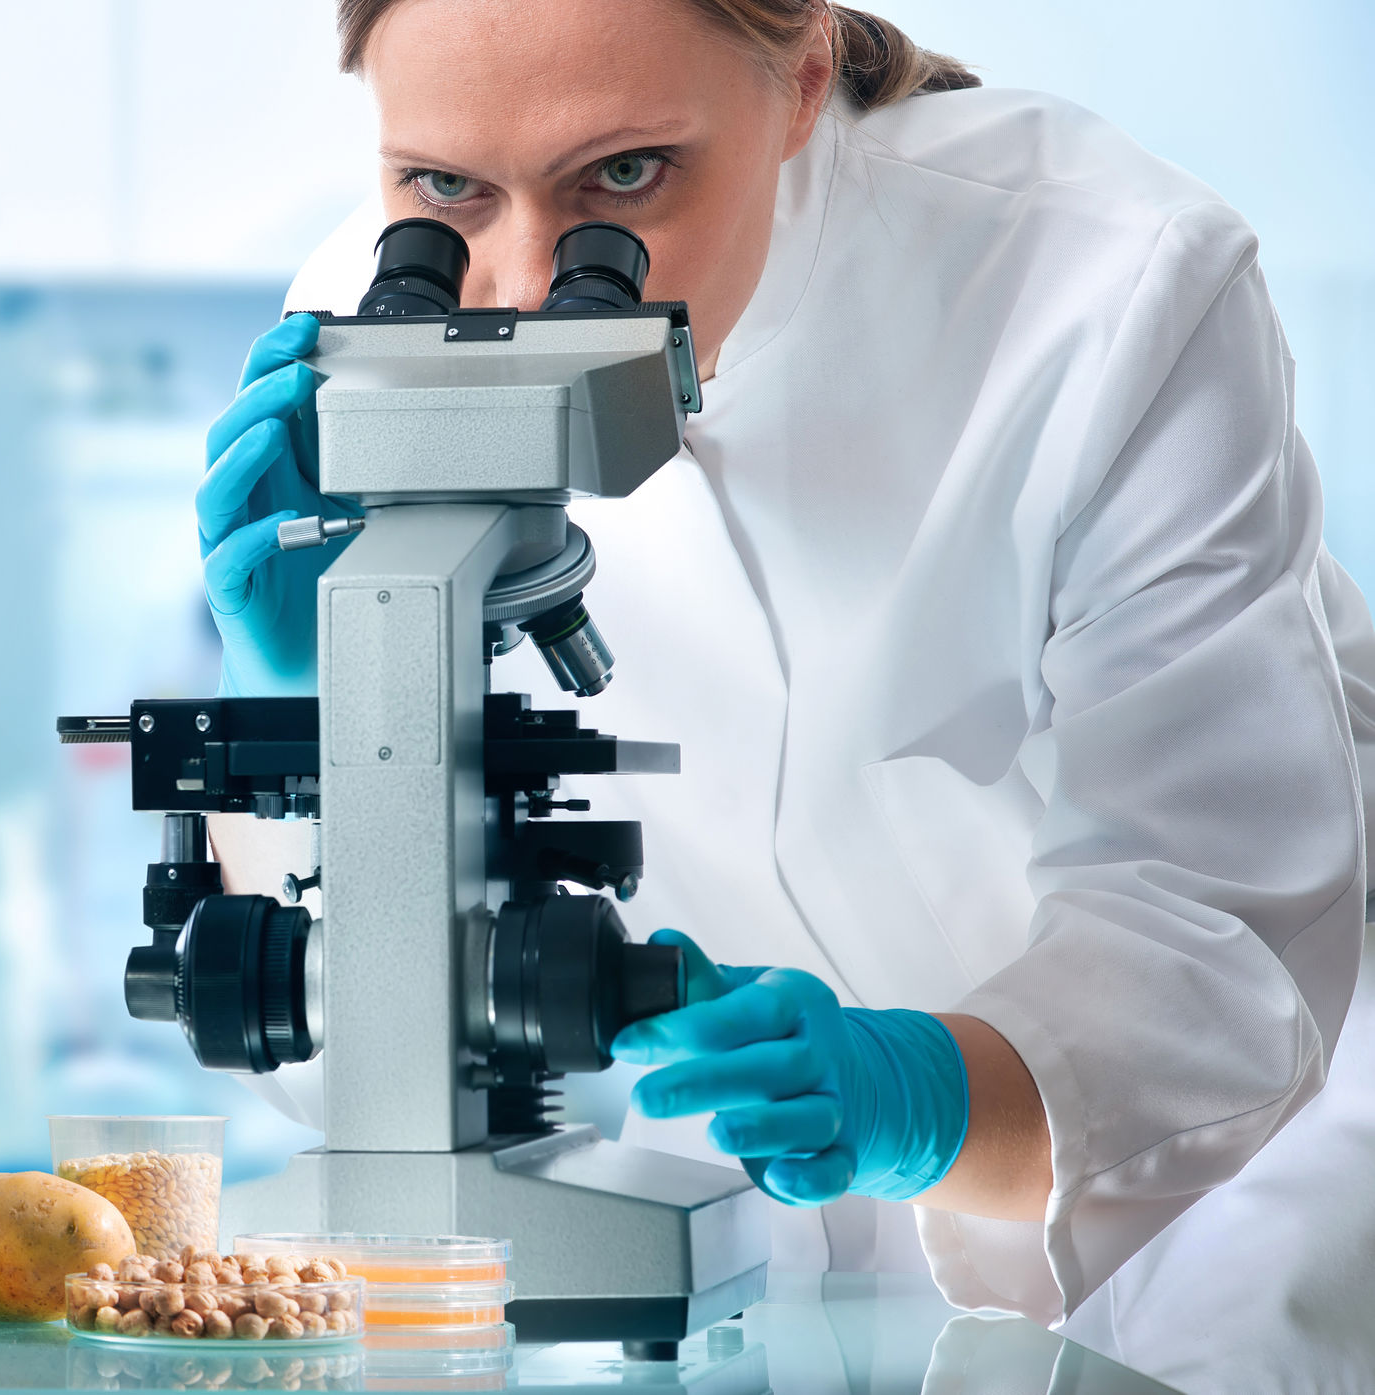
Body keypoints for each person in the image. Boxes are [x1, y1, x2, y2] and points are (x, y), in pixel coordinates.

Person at [198, 0, 1375, 1386]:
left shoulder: (1098, 276)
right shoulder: (356, 322)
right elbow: (334, 1063)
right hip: (709, 1200)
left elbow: (1216, 922)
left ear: (802, 78)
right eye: (441, 189)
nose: (515, 286)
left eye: (623, 176)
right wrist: (316, 721)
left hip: (1196, 1184)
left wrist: (922, 1096)